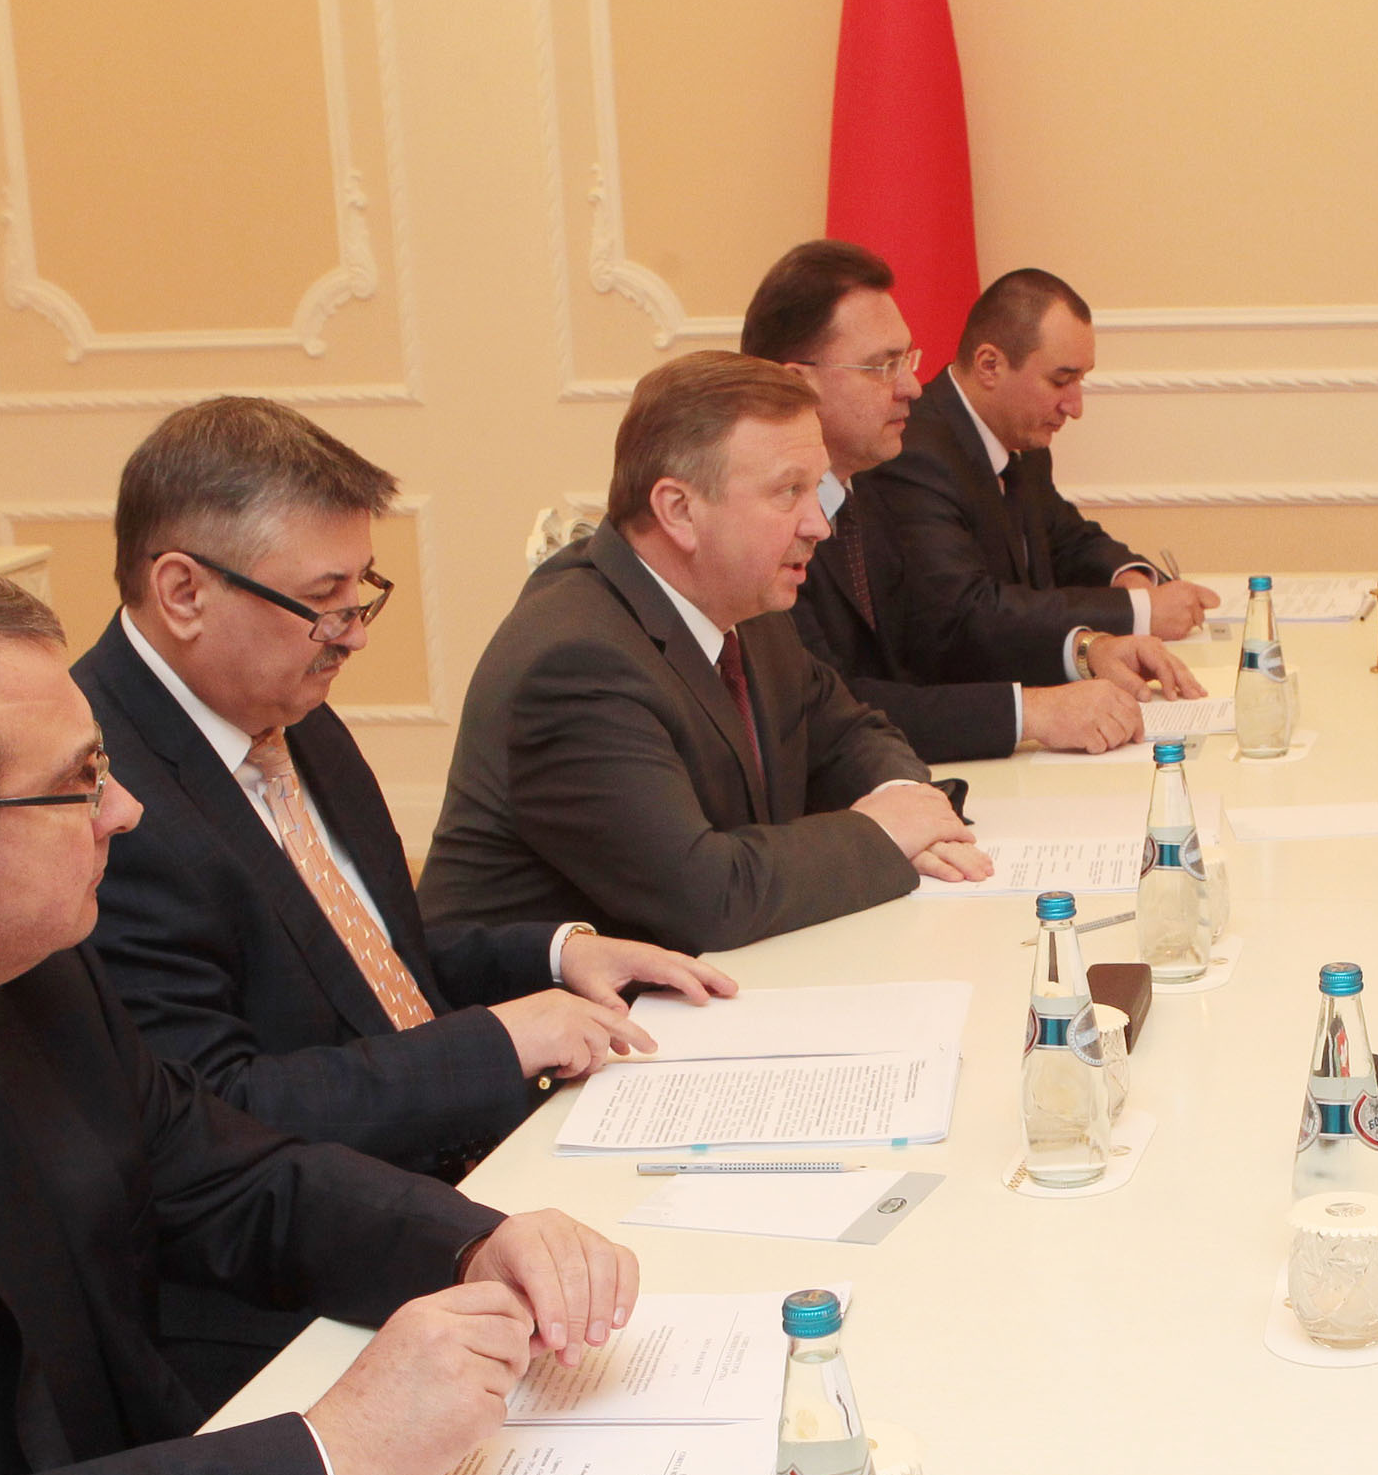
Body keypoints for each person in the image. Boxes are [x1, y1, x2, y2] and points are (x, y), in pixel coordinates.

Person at [0, 549, 645, 1475]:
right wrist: (333, 1458)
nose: (124, 811)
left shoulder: (32, 976)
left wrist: (473, 1241)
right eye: (77, 785)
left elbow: (217, 1174)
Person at [74, 398, 731, 1403]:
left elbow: (370, 966)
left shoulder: (286, 712)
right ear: (183, 591)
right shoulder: (102, 804)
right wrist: (497, 1042)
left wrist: (555, 955)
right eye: (323, 600)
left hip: (445, 1186)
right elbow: (219, 1117)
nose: (353, 636)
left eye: (362, 592)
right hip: (285, 1303)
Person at [419, 353, 991, 953]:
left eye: (816, 489)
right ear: (679, 511)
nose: (819, 525)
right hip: (566, 1003)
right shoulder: (576, 662)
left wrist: (905, 801)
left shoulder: (746, 603)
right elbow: (708, 898)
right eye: (789, 492)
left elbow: (850, 733)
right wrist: (882, 833)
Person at [739, 240, 1204, 761]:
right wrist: (1034, 713)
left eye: (906, 360)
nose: (913, 387)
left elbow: (937, 643)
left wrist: (1086, 650)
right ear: (799, 384)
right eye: (883, 366)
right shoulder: (760, 527)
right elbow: (827, 708)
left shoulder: (864, 491)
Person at [867, 267, 1218, 654]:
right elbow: (970, 613)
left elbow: (1064, 538)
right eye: (1060, 380)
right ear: (989, 365)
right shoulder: (914, 454)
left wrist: (1129, 578)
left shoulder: (1023, 439)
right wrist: (1138, 612)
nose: (1075, 407)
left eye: (1080, 379)